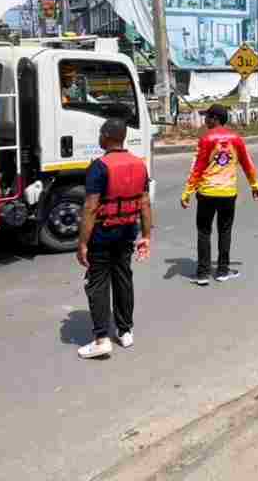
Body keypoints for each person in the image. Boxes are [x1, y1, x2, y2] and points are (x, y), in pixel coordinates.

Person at [76, 118, 153, 359]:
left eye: (100, 133)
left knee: (97, 284)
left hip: (102, 235)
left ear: (108, 136)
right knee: (123, 279)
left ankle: (101, 339)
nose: (99, 137)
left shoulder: (99, 166)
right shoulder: (139, 164)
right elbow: (145, 204)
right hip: (127, 233)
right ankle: (125, 331)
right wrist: (147, 235)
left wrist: (82, 243)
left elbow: (90, 208)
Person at [180, 103, 258, 286]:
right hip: (228, 193)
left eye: (207, 117)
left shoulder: (206, 139)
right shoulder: (236, 138)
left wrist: (187, 192)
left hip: (207, 192)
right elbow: (247, 164)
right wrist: (255, 185)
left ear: (215, 119)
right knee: (225, 231)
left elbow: (198, 168)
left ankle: (202, 274)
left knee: (204, 231)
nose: (205, 120)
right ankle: (223, 271)